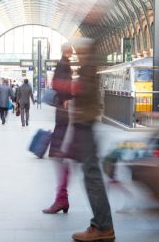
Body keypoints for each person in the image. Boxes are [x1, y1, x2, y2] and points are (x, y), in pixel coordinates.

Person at [69, 38, 115, 242]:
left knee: (92, 175)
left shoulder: (89, 66)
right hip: (86, 123)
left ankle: (102, 227)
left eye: (79, 50)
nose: (76, 53)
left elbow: (84, 91)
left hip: (87, 123)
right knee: (90, 174)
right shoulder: (87, 66)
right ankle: (102, 225)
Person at [42, 42, 73, 214]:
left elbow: (57, 83)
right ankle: (62, 200)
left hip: (66, 114)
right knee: (61, 158)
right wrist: (66, 97)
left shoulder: (63, 64)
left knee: (61, 157)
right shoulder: (64, 65)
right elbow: (61, 83)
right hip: (65, 111)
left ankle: (62, 200)